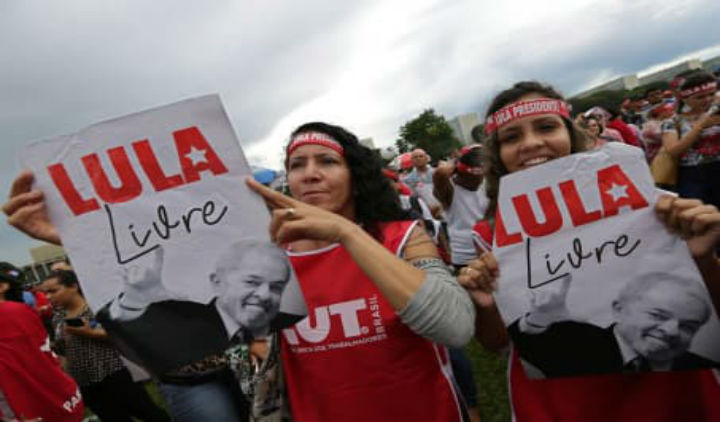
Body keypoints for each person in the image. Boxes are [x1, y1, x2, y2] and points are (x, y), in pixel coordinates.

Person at [459, 81, 720, 420]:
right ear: (498, 155)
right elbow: (497, 344)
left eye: (546, 127)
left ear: (571, 133)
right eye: (511, 137)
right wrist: (485, 304)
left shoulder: (652, 203)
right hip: (561, 403)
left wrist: (703, 257)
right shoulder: (489, 233)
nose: (531, 143)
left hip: (671, 398)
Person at [246, 122, 475, 421]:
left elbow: (456, 327)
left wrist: (346, 234)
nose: (310, 173)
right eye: (297, 165)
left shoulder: (403, 237)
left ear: (354, 175)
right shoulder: (273, 259)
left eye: (327, 161)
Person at [509, 273, 716, 378]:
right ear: (619, 309)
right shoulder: (574, 342)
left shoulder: (704, 370)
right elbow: (515, 345)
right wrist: (540, 318)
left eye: (688, 326)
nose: (671, 331)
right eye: (658, 315)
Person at [43, 270, 171, 422]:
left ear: (73, 287)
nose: (48, 297)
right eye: (46, 292)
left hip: (113, 372)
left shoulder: (96, 308)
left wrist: (90, 333)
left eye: (53, 291)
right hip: (85, 381)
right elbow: (63, 349)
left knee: (147, 412)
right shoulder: (58, 317)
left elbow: (122, 336)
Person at [0, 262, 85, 422]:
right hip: (58, 393)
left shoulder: (7, 313)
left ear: (2, 286)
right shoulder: (20, 309)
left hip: (27, 402)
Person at [661, 71, 720, 210]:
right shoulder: (672, 122)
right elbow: (673, 151)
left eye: (711, 94)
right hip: (695, 176)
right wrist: (700, 126)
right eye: (700, 97)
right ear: (685, 99)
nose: (708, 100)